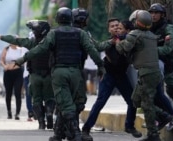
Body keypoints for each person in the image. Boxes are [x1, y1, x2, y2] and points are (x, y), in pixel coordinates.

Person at [7, 7, 105, 141]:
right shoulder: (80, 33)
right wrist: (100, 65)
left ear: (58, 19)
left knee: (64, 103)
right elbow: (92, 50)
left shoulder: (53, 34)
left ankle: (76, 134)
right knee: (67, 103)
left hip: (59, 72)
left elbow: (39, 49)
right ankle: (58, 134)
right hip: (76, 72)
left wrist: (21, 60)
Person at [0, 20, 55, 130]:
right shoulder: (52, 43)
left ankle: (41, 122)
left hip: (35, 76)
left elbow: (14, 40)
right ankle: (50, 112)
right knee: (50, 98)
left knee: (36, 99)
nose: (33, 32)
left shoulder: (31, 43)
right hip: (49, 76)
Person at [81, 18, 142, 141]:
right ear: (109, 29)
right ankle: (86, 129)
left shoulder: (128, 41)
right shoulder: (109, 43)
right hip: (109, 75)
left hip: (121, 76)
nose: (115, 28)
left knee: (132, 101)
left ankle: (129, 126)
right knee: (100, 102)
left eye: (118, 26)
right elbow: (102, 49)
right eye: (113, 26)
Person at [115, 10, 163, 141]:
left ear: (137, 22)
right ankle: (163, 116)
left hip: (146, 73)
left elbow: (123, 49)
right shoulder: (152, 35)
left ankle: (153, 134)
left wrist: (118, 42)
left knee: (147, 104)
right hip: (153, 73)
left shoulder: (134, 35)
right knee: (135, 100)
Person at [0, 44, 26, 120]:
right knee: (8, 93)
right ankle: (9, 112)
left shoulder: (20, 49)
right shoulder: (6, 49)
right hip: (8, 72)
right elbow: (2, 60)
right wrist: (4, 66)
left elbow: (24, 60)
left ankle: (17, 113)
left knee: (18, 93)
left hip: (18, 72)